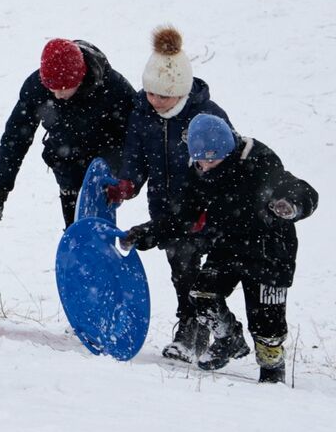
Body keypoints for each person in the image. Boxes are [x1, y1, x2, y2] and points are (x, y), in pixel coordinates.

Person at [125, 115, 316, 383]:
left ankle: (272, 371)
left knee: (267, 323)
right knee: (202, 295)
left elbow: (301, 189)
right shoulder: (197, 171)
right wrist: (148, 232)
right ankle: (229, 338)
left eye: (212, 160)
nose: (205, 165)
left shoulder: (258, 160)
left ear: (227, 151)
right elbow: (184, 215)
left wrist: (291, 205)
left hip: (270, 249)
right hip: (228, 245)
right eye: (200, 159)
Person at [103, 26, 238, 362]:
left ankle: (218, 331)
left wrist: (215, 204)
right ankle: (191, 330)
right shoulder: (143, 112)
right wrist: (128, 182)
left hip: (206, 209)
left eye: (163, 96)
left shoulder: (207, 116)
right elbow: (135, 154)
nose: (155, 101)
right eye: (151, 93)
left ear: (180, 92)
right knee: (182, 269)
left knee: (209, 276)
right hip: (167, 206)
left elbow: (228, 162)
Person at [0, 38, 135, 228]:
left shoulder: (112, 87)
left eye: (63, 89)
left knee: (97, 225)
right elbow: (15, 139)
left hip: (105, 162)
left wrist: (128, 179)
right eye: (51, 88)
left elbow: (138, 136)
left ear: (80, 77)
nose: (57, 95)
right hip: (66, 160)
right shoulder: (36, 88)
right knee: (75, 228)